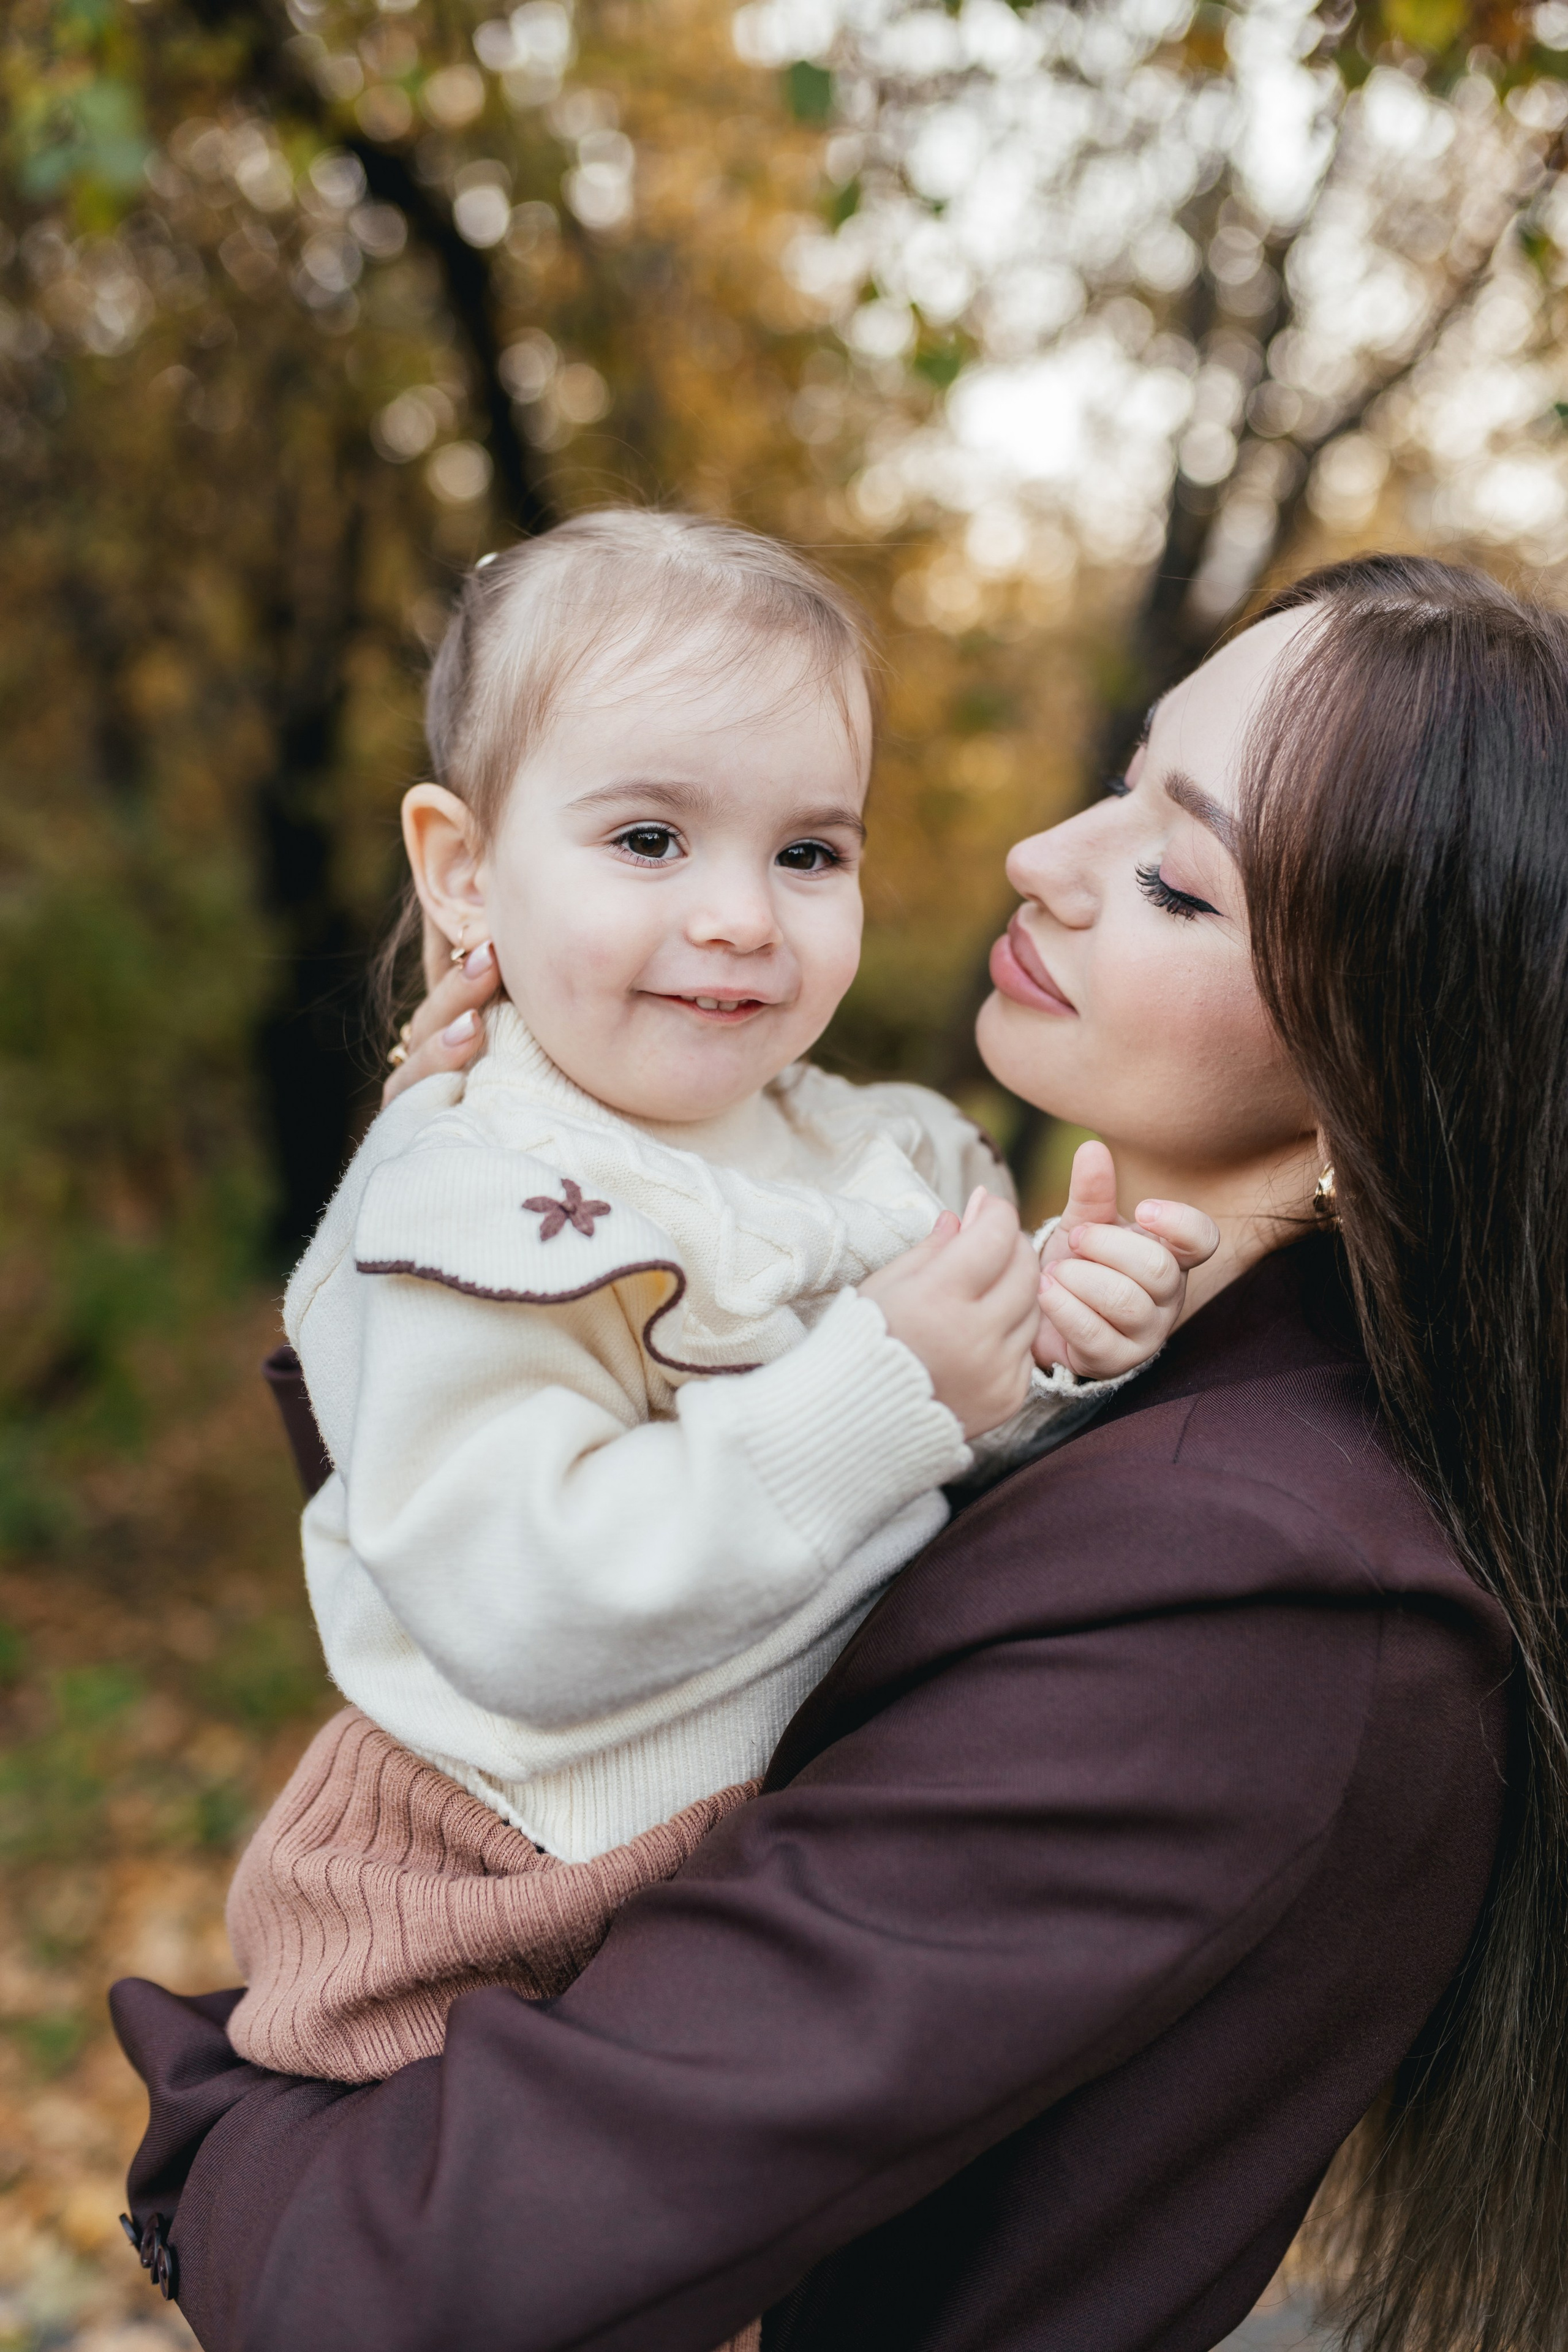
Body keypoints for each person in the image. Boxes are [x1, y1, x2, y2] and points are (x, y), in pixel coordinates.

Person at [113, 556, 1568, 2352]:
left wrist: (210, 2126)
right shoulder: (1158, 1398)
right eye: (1119, 780)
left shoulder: (1261, 1587)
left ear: (1391, 1046)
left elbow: (400, 2284)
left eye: (1177, 876)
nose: (1044, 854)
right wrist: (486, 1237)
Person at [223, 511, 1209, 2086]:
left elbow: (936, 1477)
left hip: (746, 1864)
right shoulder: (472, 1199)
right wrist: (887, 1391)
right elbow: (514, 1602)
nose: (744, 914)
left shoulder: (868, 1151)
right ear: (462, 870)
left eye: (807, 851)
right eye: (648, 841)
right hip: (493, 1883)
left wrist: (1055, 1350)